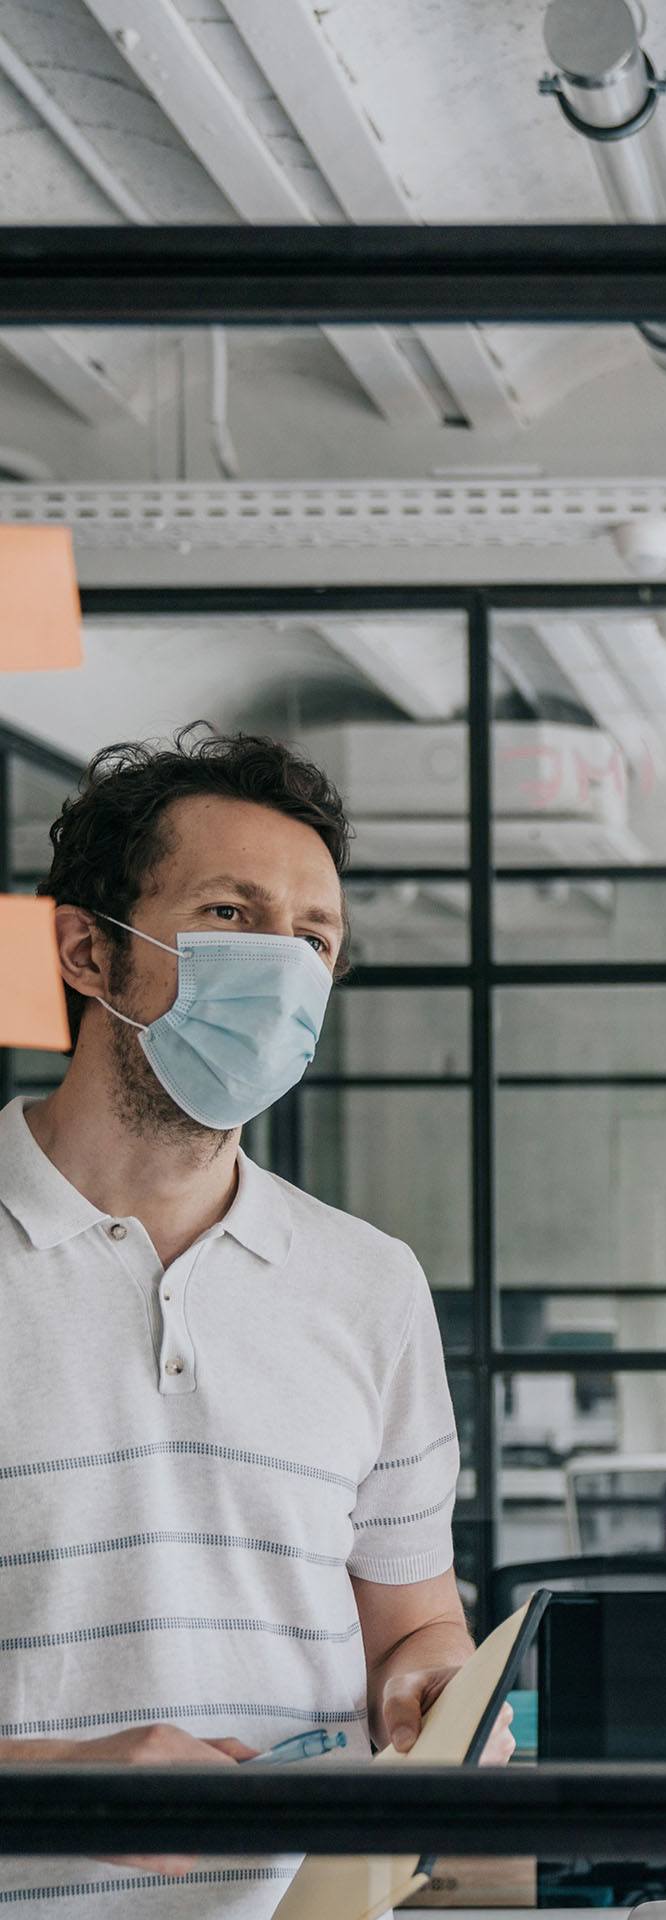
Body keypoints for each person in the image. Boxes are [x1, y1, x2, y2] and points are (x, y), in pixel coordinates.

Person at [0, 727, 507, 1918]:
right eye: (232, 914)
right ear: (86, 948)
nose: (283, 963)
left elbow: (415, 1612)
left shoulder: (369, 1284)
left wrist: (431, 1685)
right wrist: (61, 1782)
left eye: (315, 937)